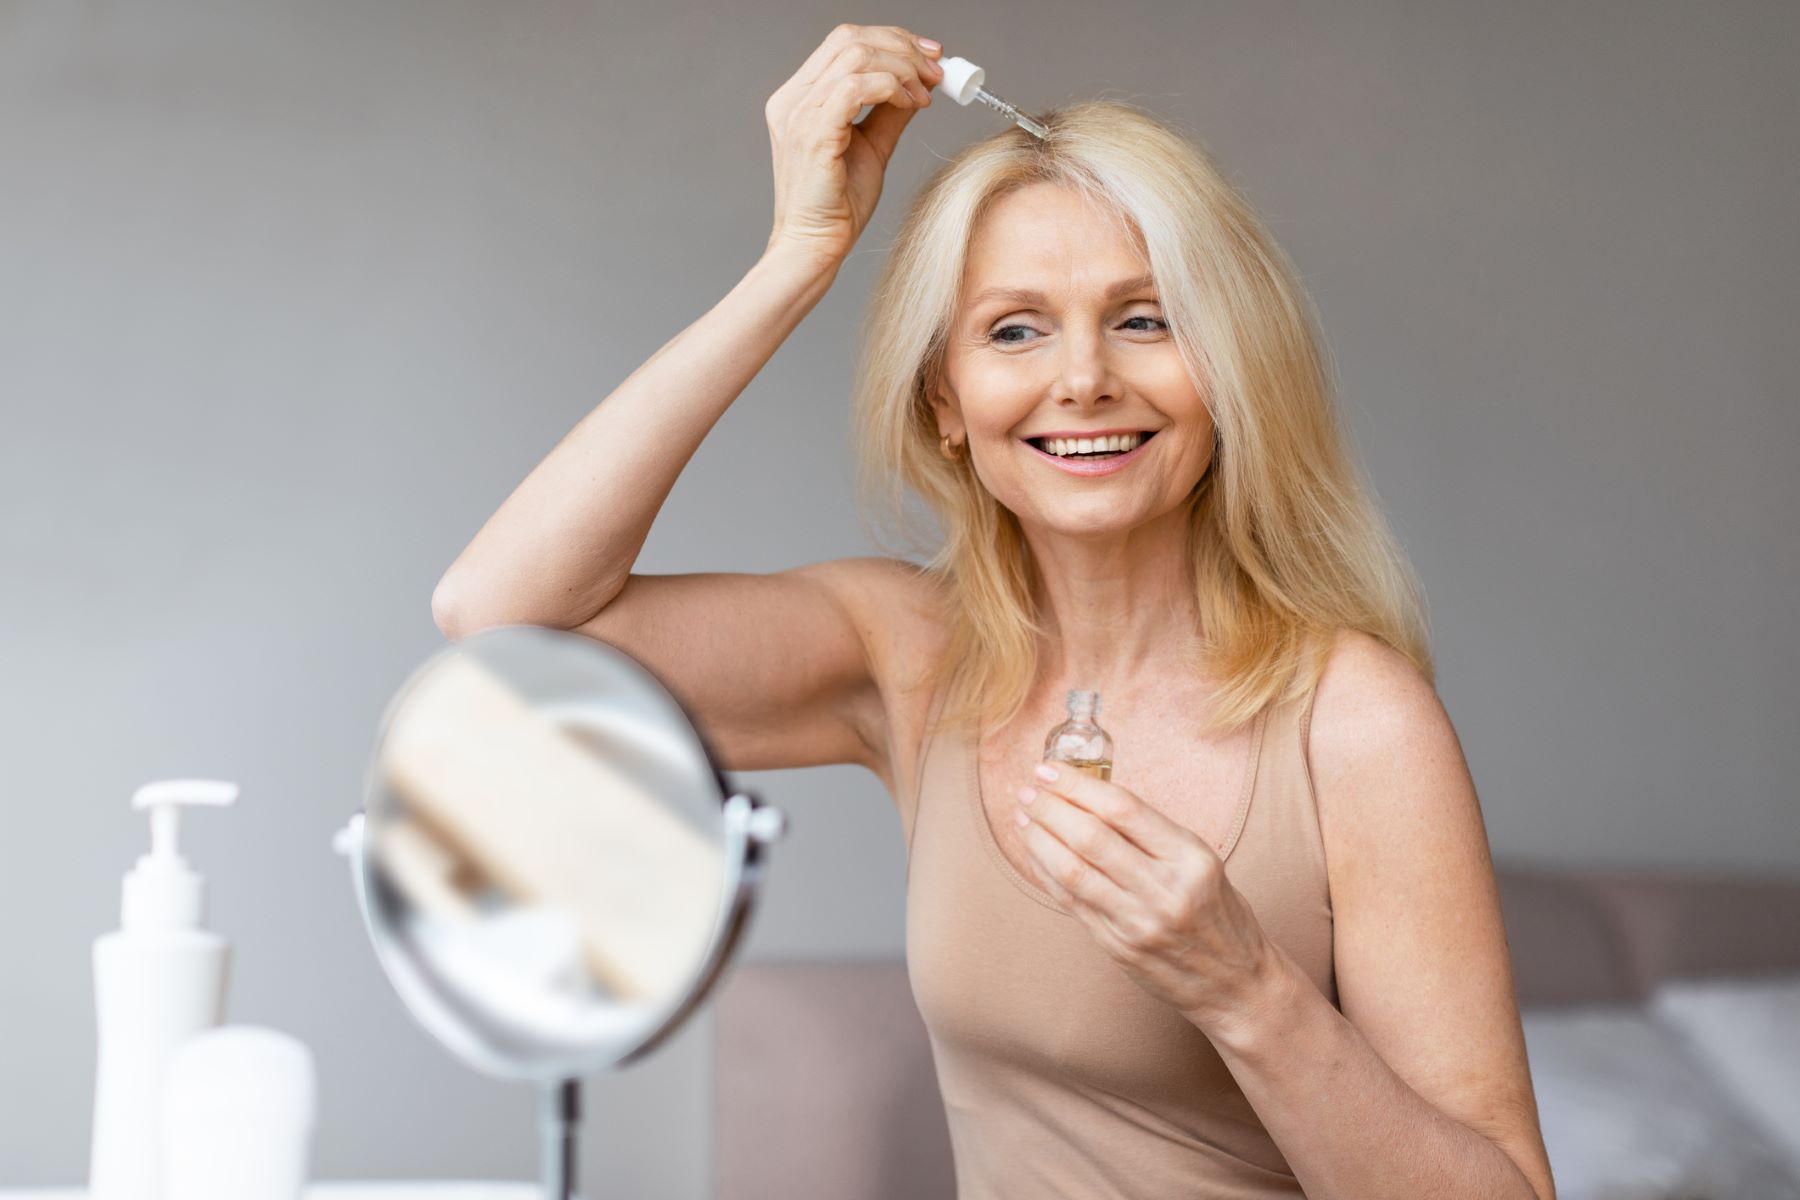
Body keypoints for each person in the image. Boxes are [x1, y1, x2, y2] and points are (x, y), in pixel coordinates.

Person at [431, 22, 1556, 1200]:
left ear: (1230, 369)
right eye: (1015, 329)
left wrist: (1246, 990)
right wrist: (799, 257)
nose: (1083, 379)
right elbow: (502, 622)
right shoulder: (913, 656)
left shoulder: (1352, 721)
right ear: (947, 404)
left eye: (1145, 318)